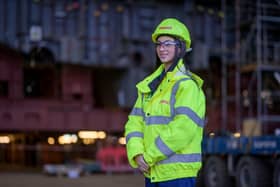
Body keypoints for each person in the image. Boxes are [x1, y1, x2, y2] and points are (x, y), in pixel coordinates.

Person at [124, 18, 206, 187]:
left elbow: (182, 130)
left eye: (168, 43)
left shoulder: (187, 86)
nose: (162, 48)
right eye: (159, 44)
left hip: (178, 175)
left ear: (181, 47)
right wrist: (137, 154)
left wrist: (149, 157)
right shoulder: (149, 87)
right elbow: (134, 123)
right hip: (153, 173)